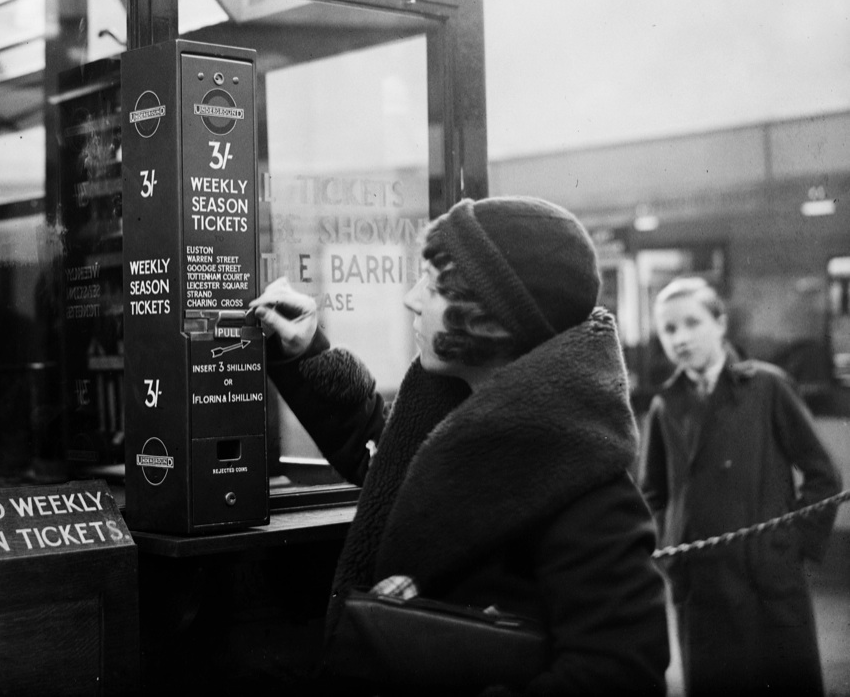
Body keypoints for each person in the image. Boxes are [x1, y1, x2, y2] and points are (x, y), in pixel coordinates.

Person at [252, 196, 670, 696]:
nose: (410, 298)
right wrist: (305, 351)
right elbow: (389, 460)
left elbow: (621, 674)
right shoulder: (459, 410)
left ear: (491, 321)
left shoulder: (591, 492)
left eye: (432, 284)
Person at [638, 276, 843, 697]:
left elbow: (824, 475)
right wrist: (673, 546)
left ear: (720, 324)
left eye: (692, 323)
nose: (681, 338)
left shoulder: (767, 386)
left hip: (765, 580)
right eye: (669, 328)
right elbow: (652, 493)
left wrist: (789, 544)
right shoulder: (666, 404)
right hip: (701, 586)